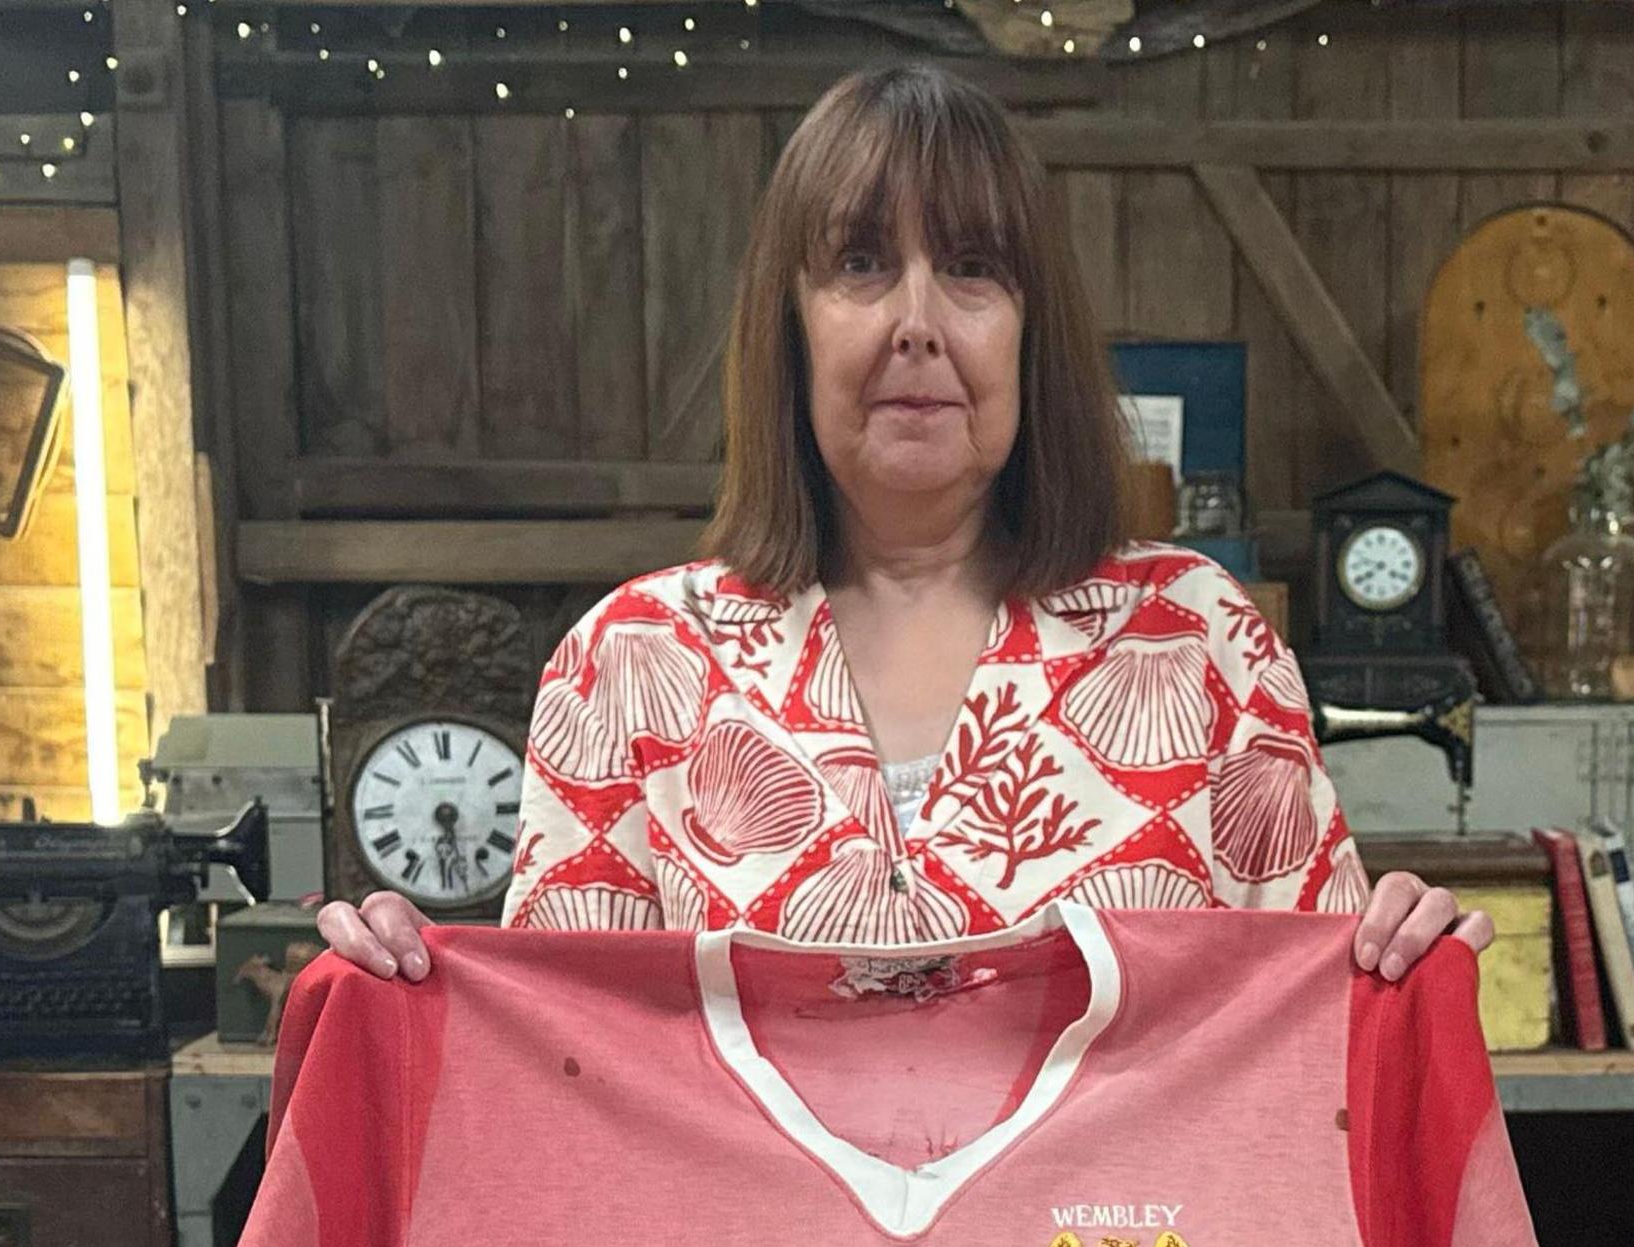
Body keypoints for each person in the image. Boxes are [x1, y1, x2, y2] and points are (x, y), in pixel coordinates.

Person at [312, 61, 1489, 984]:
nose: (917, 321)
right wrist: (414, 992)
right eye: (863, 264)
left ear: (1031, 330)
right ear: (791, 324)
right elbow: (560, 1074)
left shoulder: (1199, 644)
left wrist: (1395, 968)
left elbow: (1309, 1057)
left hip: (1115, 1244)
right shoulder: (631, 666)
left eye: (973, 269)